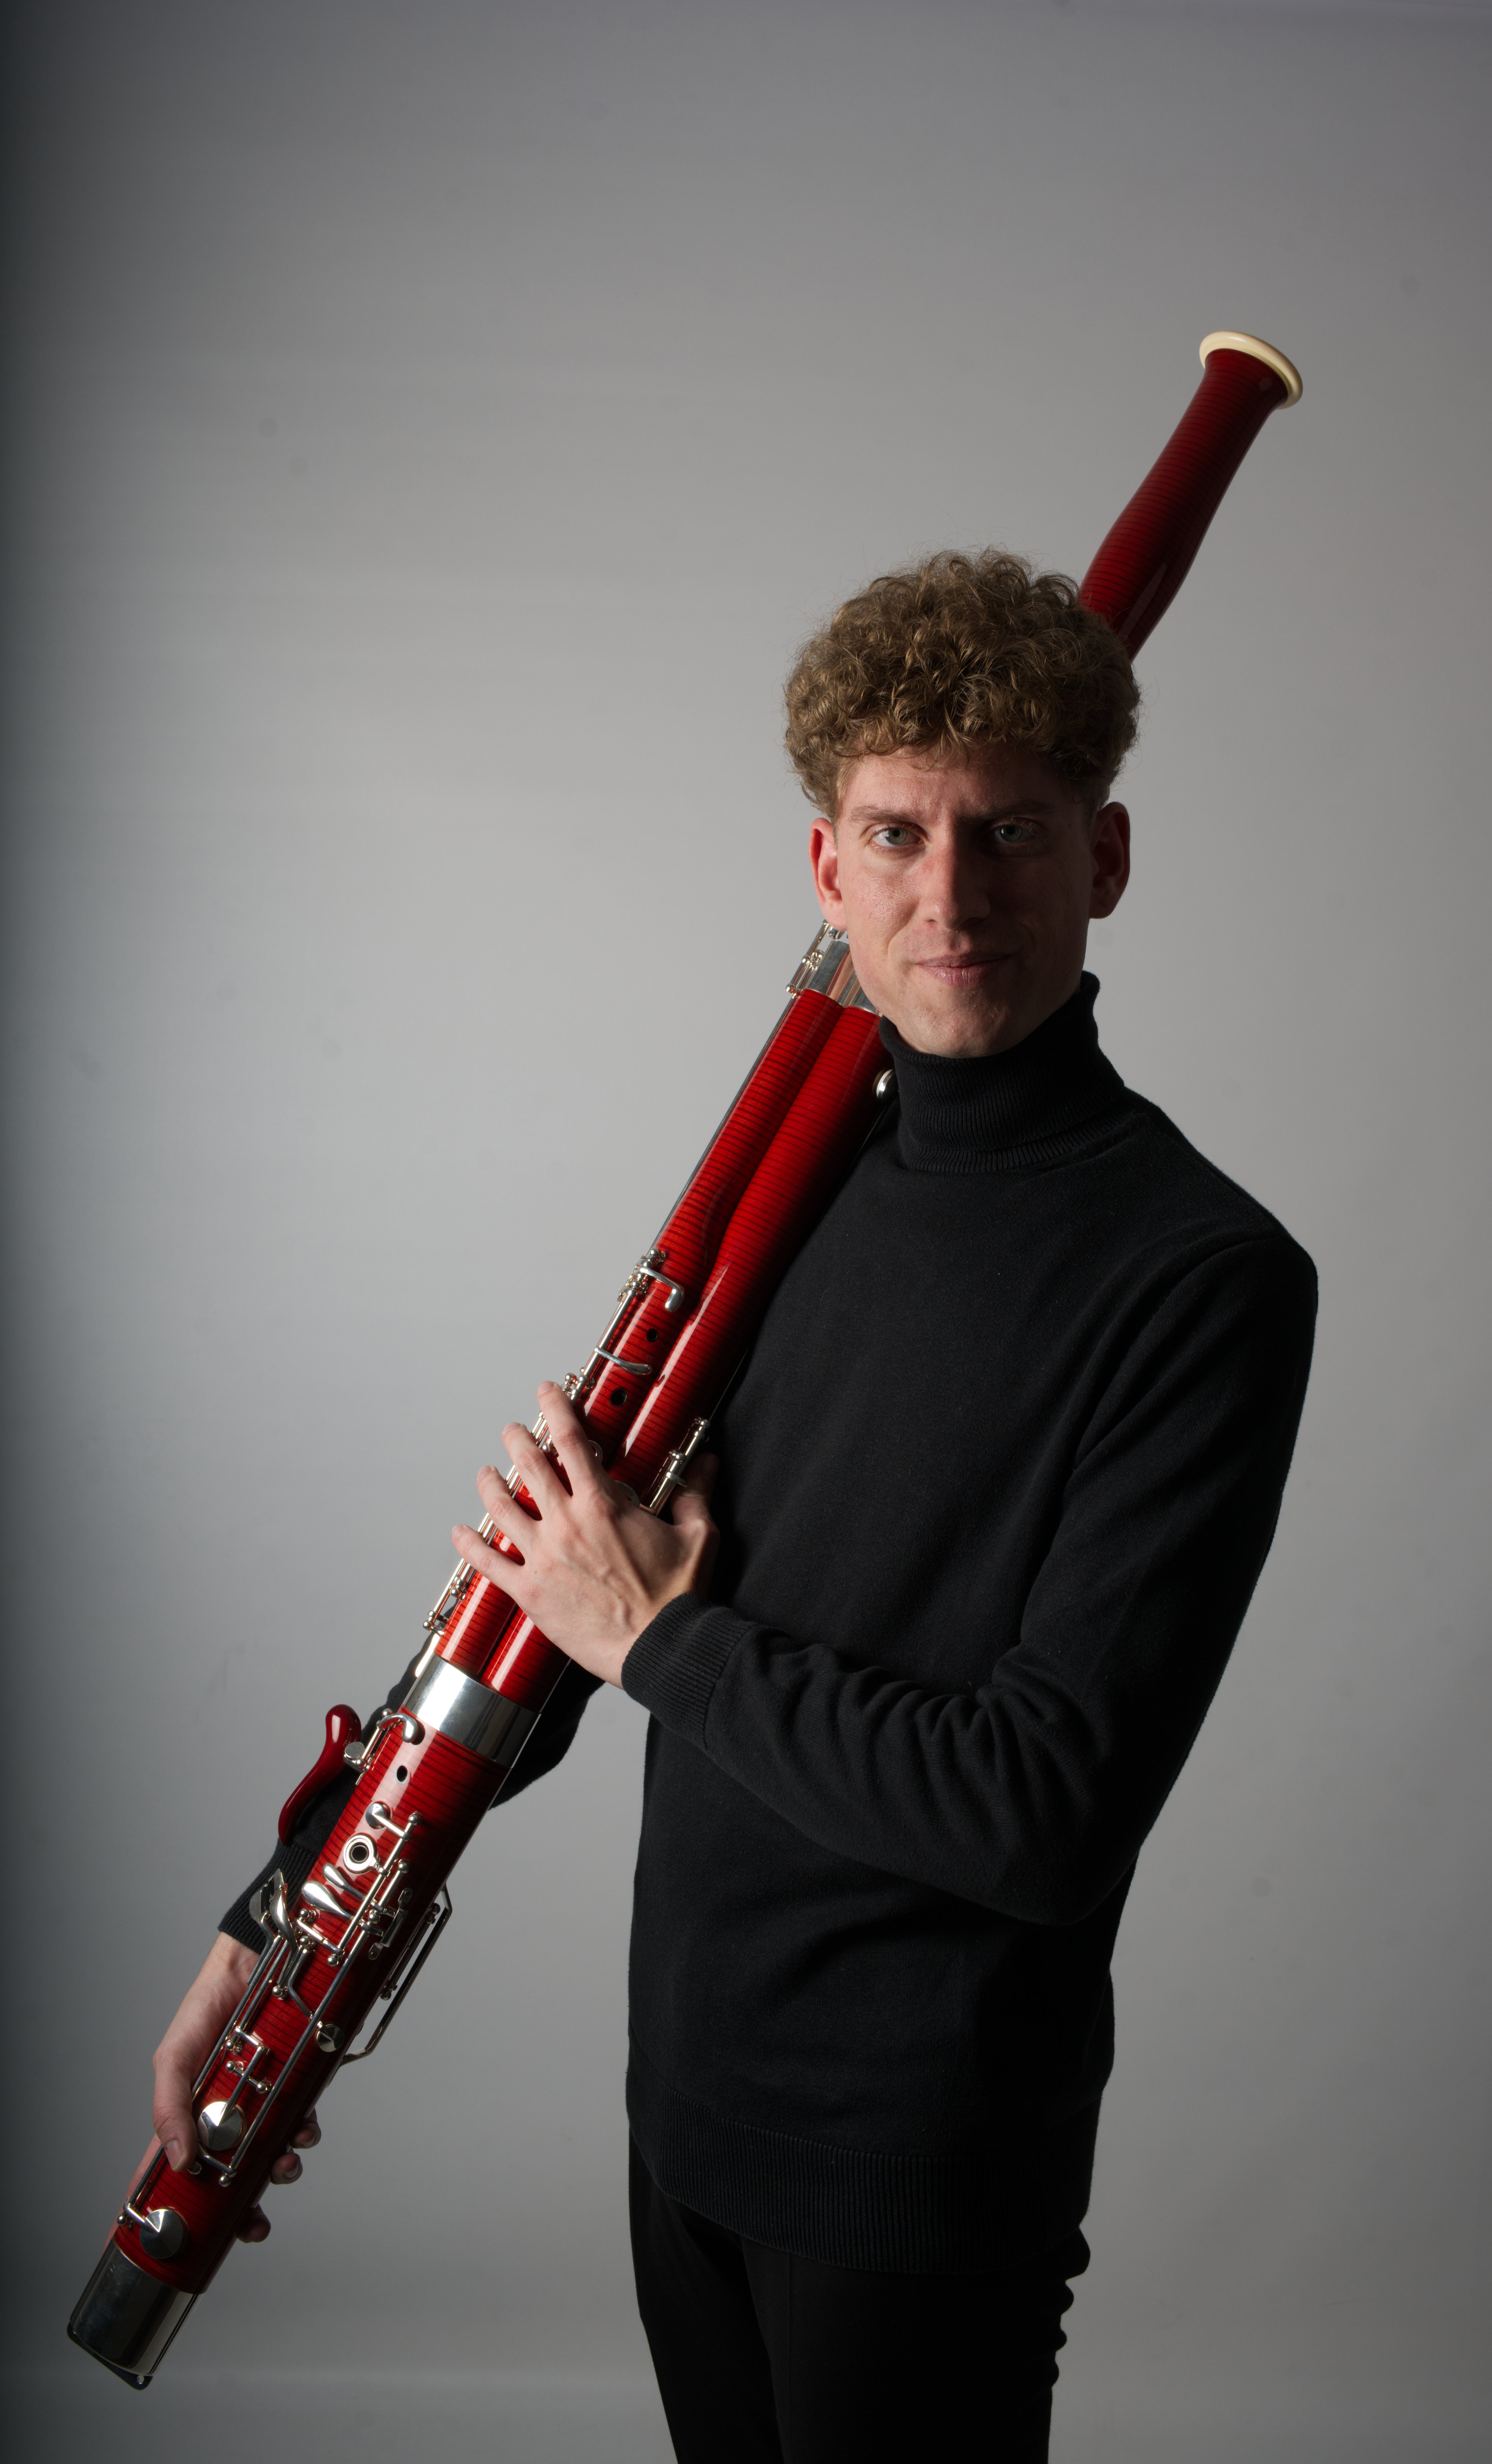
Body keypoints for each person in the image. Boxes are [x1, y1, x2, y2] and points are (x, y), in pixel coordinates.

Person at [147, 551, 1317, 2463]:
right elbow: (577, 1604)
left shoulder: (1203, 1278)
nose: (951, 896)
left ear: (1106, 857)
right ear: (827, 870)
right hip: (685, 2100)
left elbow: (1037, 1812)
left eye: (1012, 832)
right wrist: (276, 1916)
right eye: (899, 834)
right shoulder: (800, 1183)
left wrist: (662, 1637)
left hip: (916, 2166)